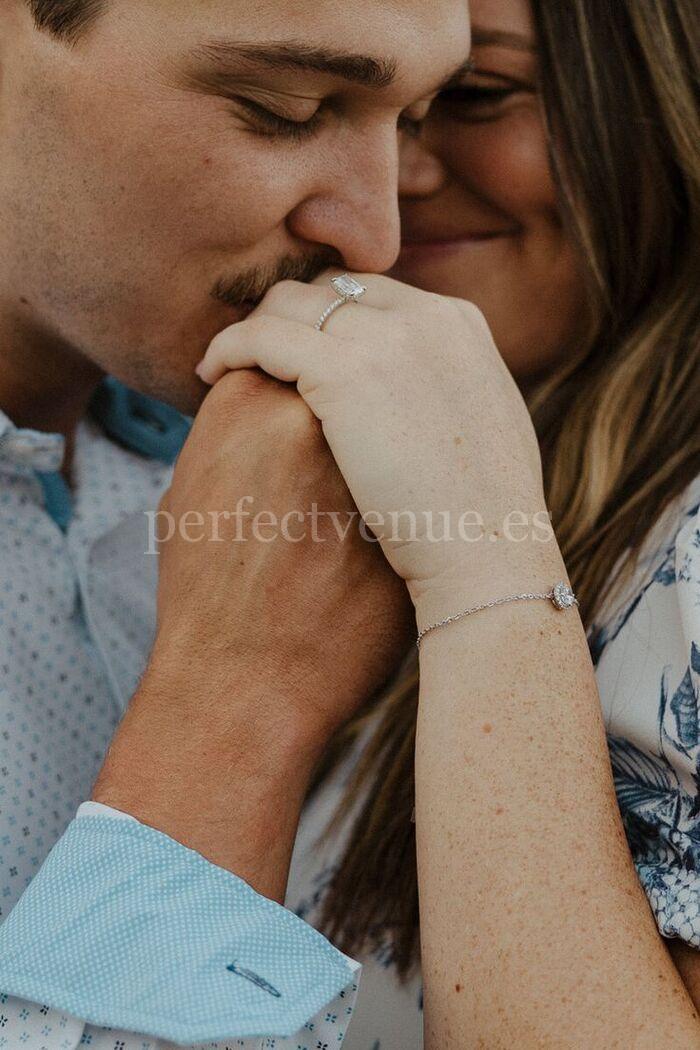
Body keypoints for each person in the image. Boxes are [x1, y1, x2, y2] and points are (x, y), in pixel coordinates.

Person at [0, 1, 698, 1049]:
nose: (380, 236)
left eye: (431, 109)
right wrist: (237, 705)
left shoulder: (312, 469)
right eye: (282, 109)